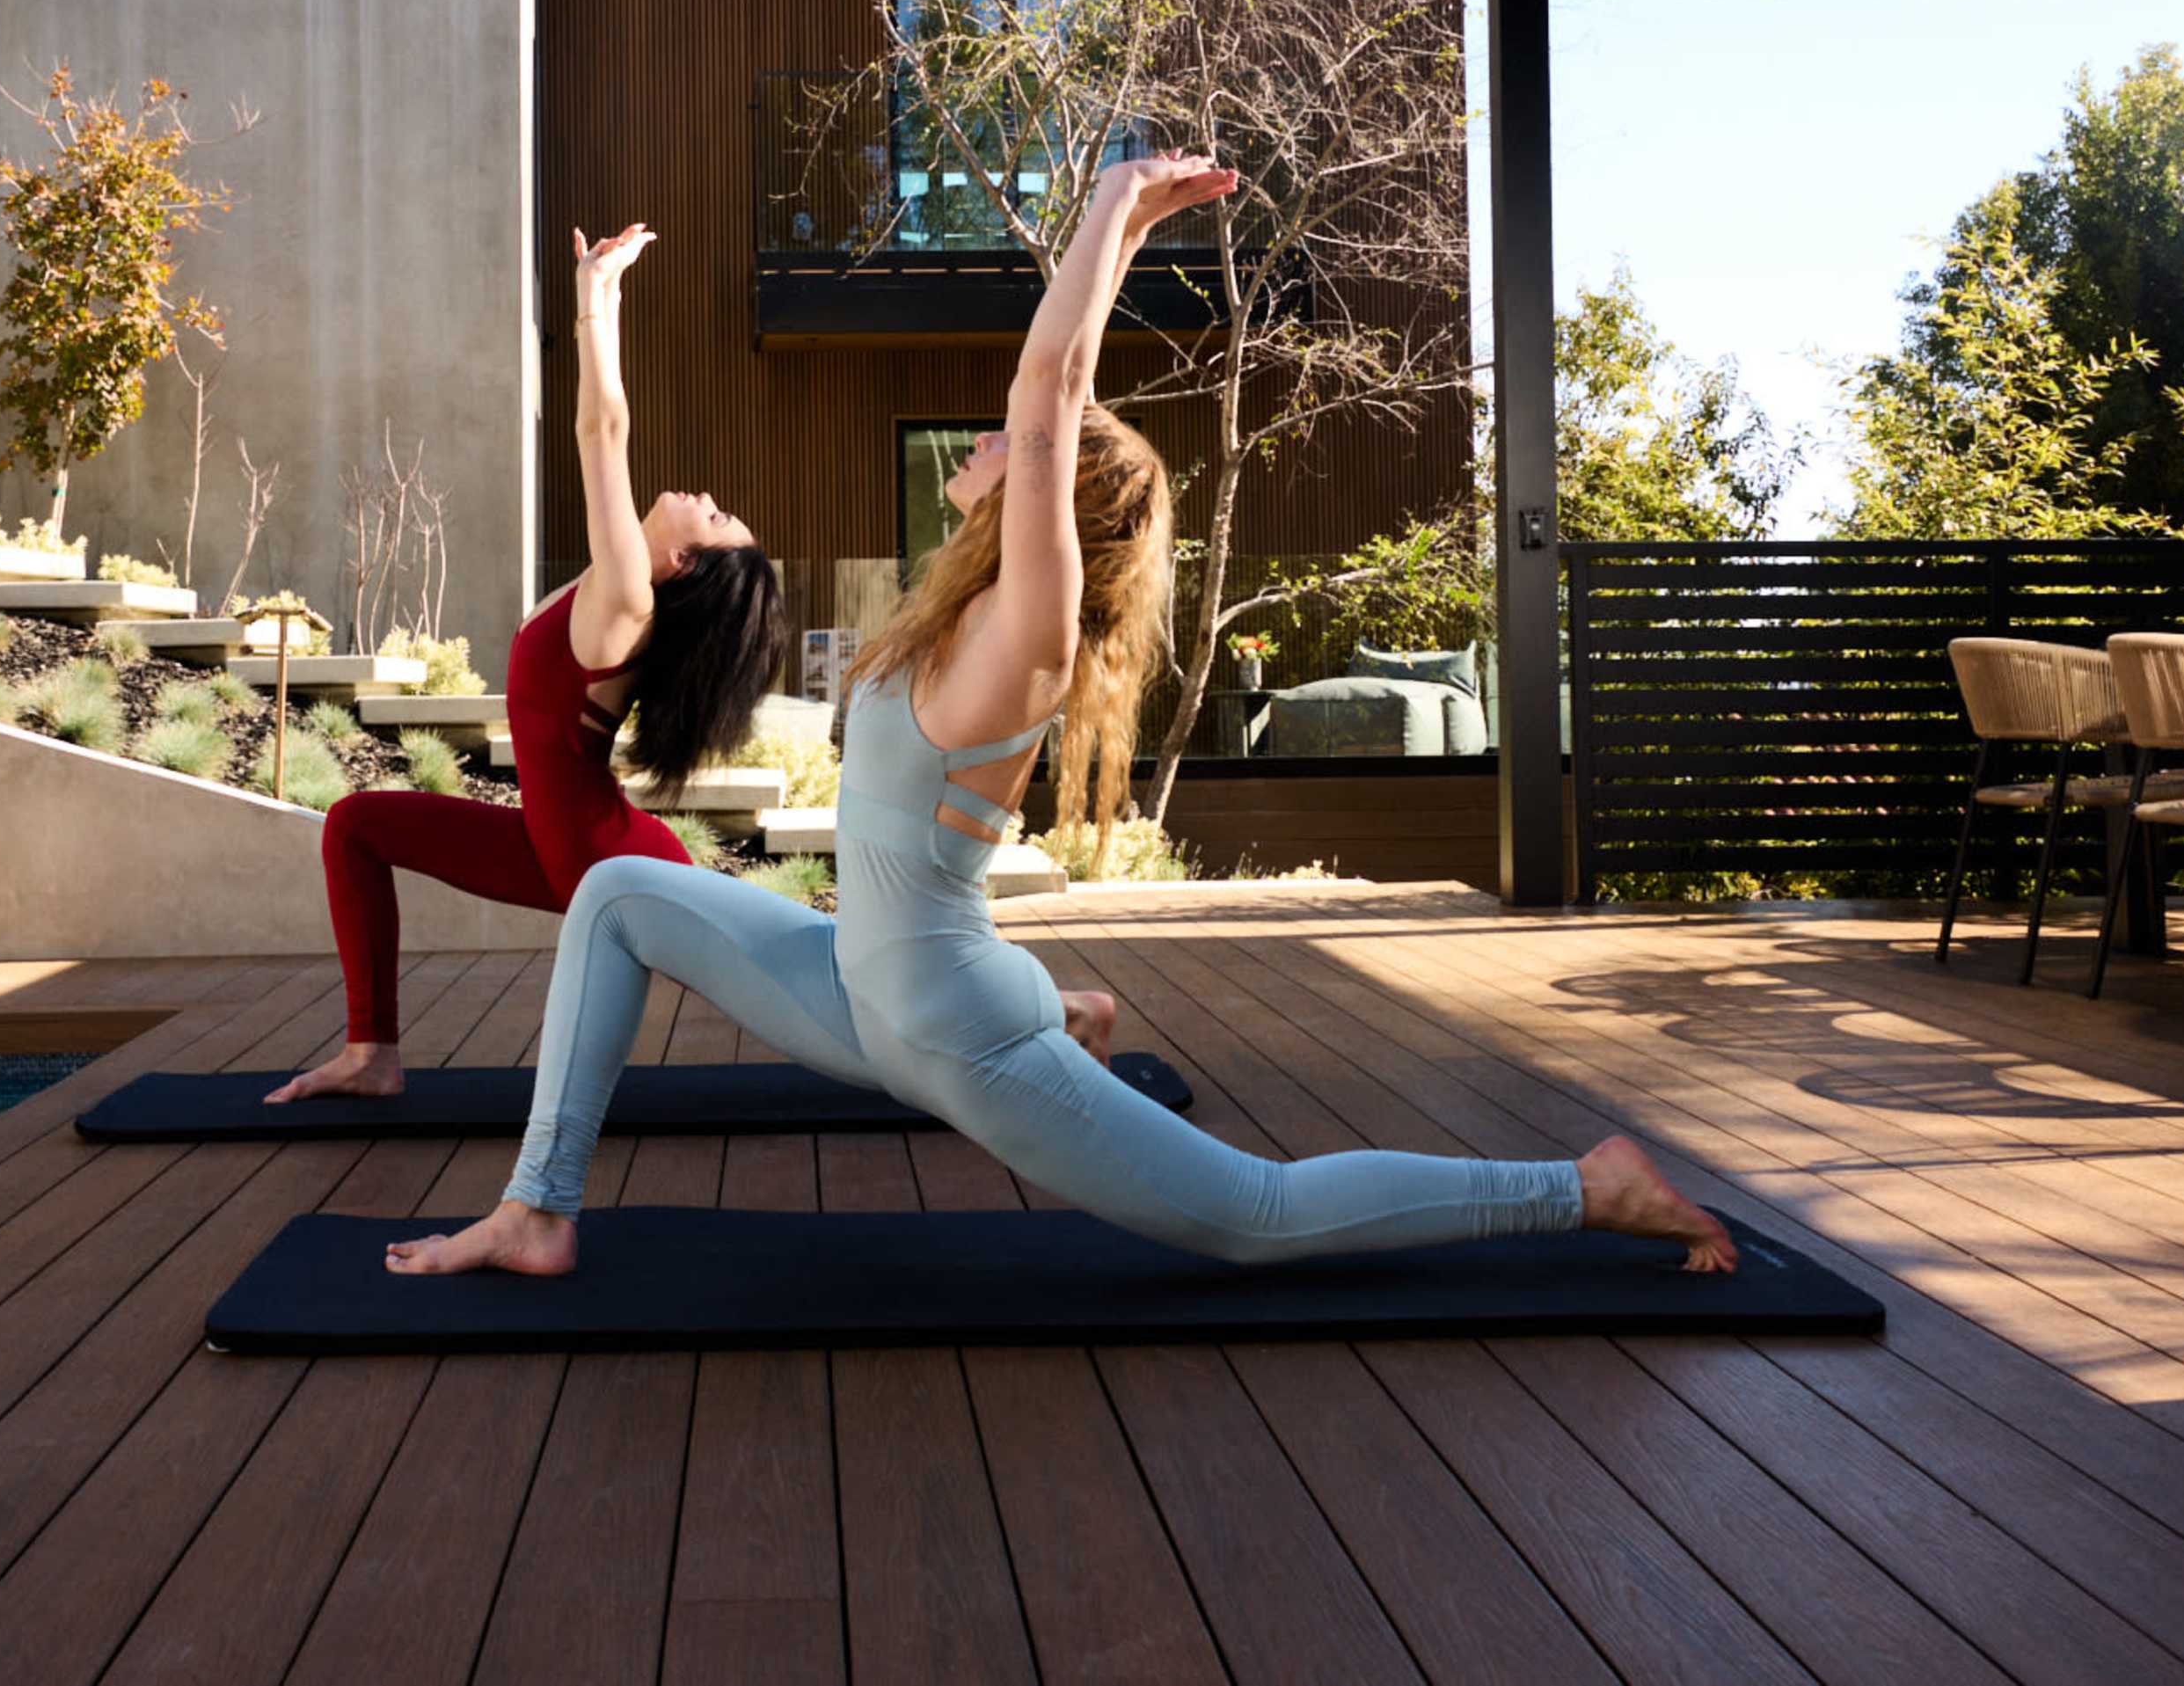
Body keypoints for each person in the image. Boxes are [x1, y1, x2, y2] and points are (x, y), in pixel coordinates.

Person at [387, 157, 1735, 1277]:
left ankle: (1580, 1187)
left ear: (1054, 502)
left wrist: (1112, 207)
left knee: (1254, 1215)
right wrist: (1120, 232)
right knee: (617, 890)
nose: (987, 442)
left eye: (1013, 449)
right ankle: (539, 1208)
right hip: (860, 987)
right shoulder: (958, 613)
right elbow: (1049, 407)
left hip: (946, 1028)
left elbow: (1048, 398)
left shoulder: (1027, 635)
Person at [269, 222, 1114, 1098]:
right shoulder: (617, 590)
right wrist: (603, 292)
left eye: (713, 519)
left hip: (610, 863)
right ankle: (372, 1051)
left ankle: (1058, 1013)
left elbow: (602, 430)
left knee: (846, 1017)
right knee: (355, 824)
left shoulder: (624, 603)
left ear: (680, 564)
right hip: (554, 844)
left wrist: (595, 299)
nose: (704, 496)